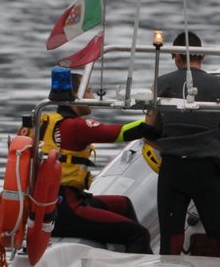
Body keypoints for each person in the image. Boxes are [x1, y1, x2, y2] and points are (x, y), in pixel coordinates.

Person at [147, 31, 220, 257]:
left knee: (170, 242)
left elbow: (148, 133)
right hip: (207, 170)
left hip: (172, 170)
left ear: (177, 58)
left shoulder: (159, 84)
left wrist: (172, 147)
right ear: (202, 56)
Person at [37, 71, 155, 254]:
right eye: (89, 91)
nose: (92, 96)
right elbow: (124, 132)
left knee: (123, 204)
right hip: (67, 213)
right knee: (139, 234)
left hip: (51, 207)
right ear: (77, 95)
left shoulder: (42, 124)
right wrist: (156, 119)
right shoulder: (76, 127)